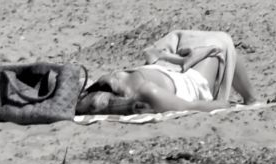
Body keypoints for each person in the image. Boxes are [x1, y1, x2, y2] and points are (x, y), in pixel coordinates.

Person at [79, 29, 259, 115]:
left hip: (170, 71)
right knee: (222, 44)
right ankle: (251, 99)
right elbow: (189, 107)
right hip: (193, 82)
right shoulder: (145, 91)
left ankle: (251, 98)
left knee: (206, 44)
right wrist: (228, 106)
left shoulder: (115, 81)